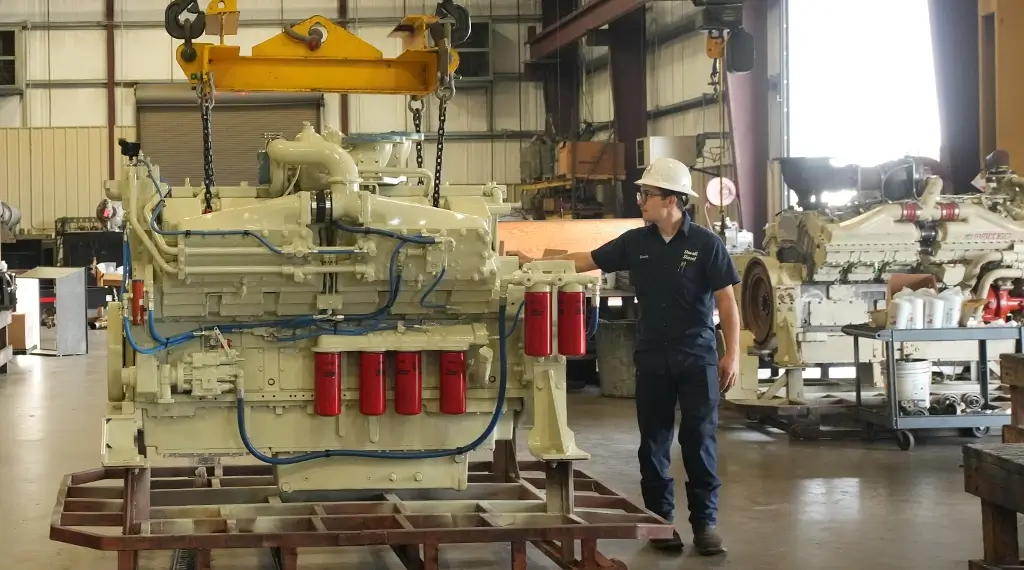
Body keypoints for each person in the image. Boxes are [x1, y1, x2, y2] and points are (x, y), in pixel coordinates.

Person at [510, 156, 740, 555]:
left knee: (698, 440)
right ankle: (660, 522)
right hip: (652, 357)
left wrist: (732, 354)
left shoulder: (706, 244)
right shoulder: (636, 242)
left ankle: (705, 525)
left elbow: (728, 302)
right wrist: (533, 264)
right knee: (652, 442)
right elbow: (587, 261)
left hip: (697, 357)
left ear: (671, 200)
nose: (640, 200)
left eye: (647, 194)